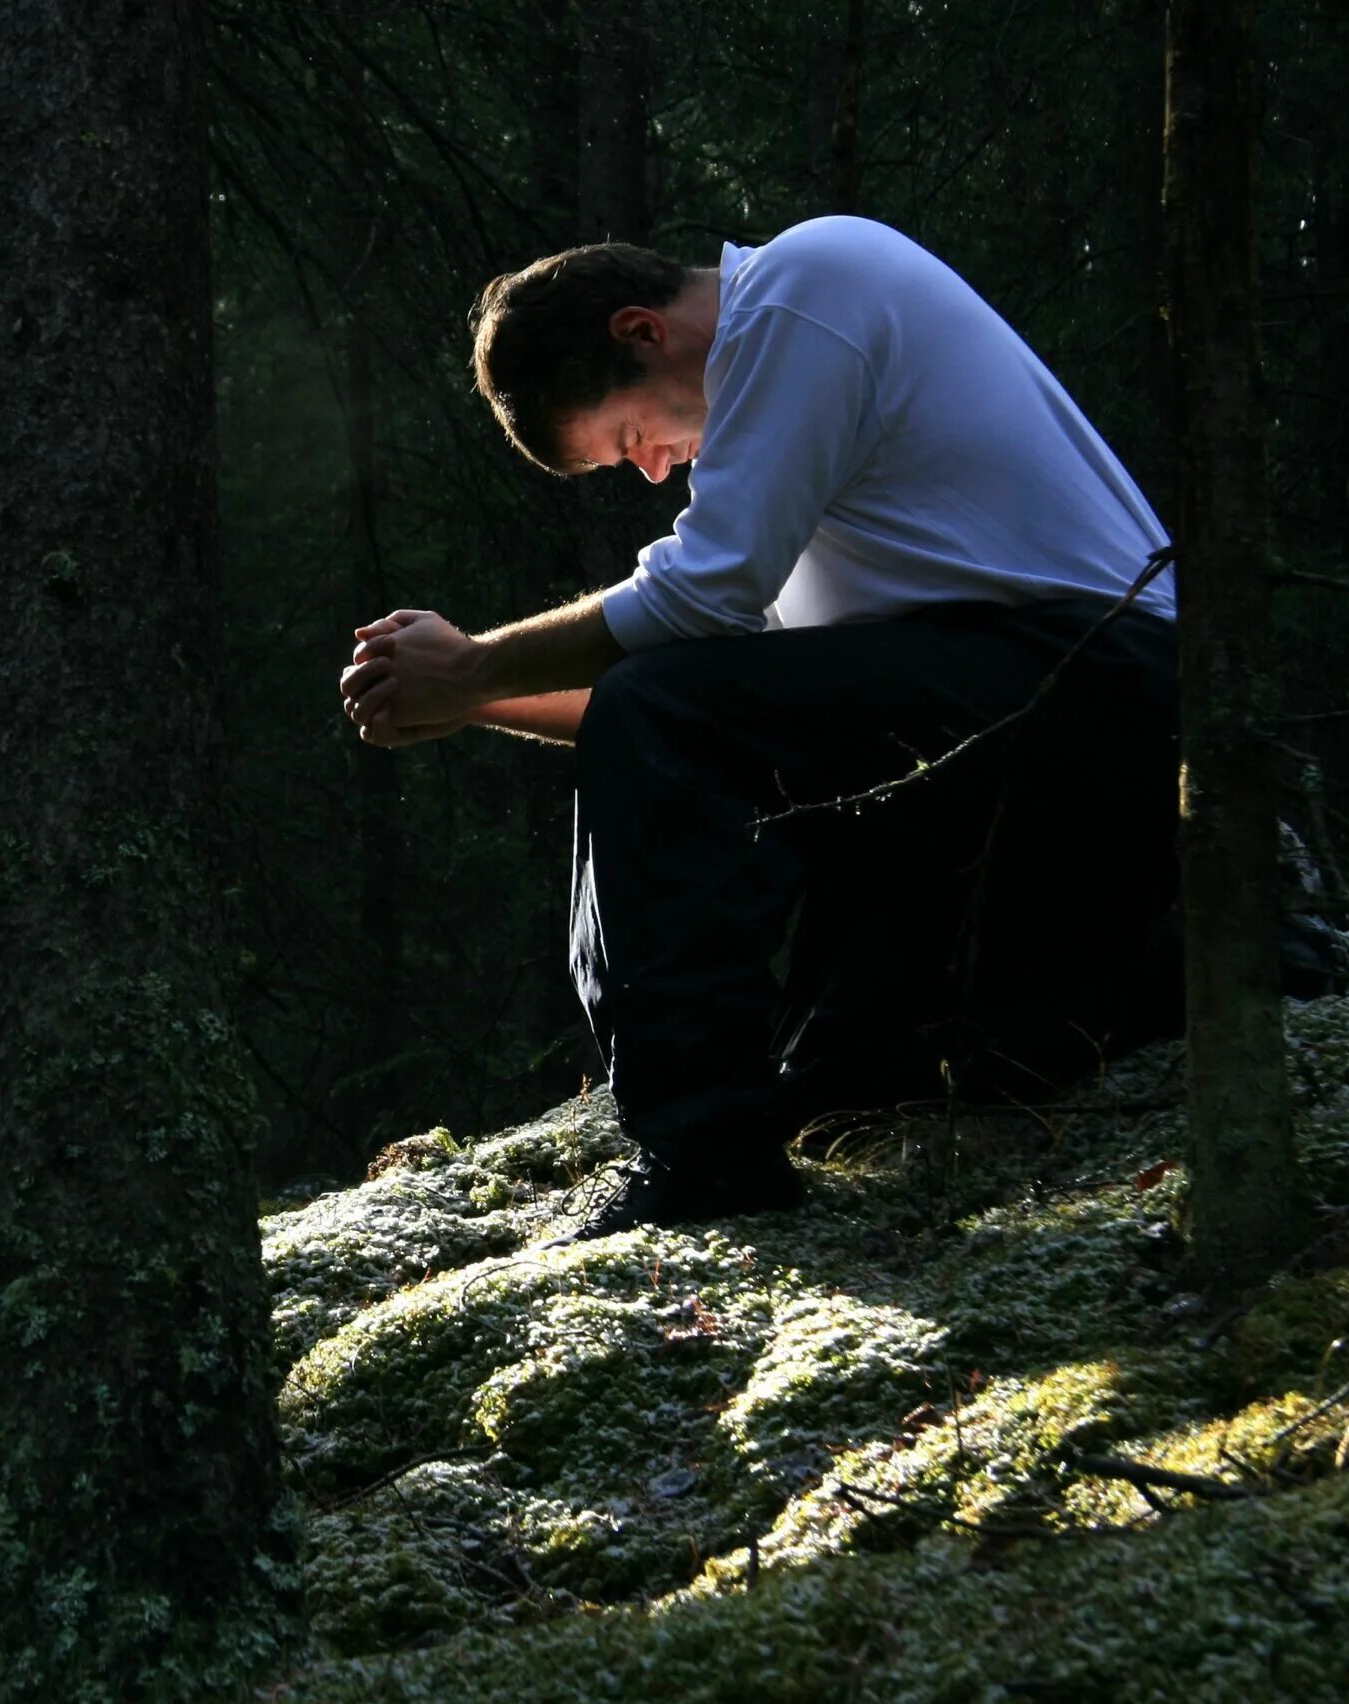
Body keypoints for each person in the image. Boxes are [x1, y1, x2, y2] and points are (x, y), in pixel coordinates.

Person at [338, 215, 1180, 1238]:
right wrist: (470, 700)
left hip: (1099, 685)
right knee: (842, 1089)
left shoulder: (808, 282)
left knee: (666, 703)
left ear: (642, 330)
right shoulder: (800, 431)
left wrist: (474, 663)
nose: (653, 471)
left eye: (628, 439)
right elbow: (713, 704)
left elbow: (696, 615)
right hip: (1032, 721)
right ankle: (1159, 968)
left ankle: (697, 1153)